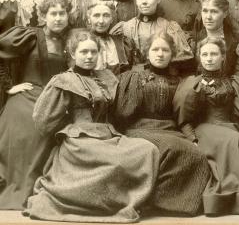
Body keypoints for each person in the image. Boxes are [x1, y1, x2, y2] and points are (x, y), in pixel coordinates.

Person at [23, 30, 159, 223]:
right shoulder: (64, 81)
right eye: (83, 52)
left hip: (107, 134)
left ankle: (126, 201)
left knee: (148, 149)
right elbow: (42, 119)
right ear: (72, 54)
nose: (89, 57)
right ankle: (103, 204)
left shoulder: (106, 77)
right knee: (116, 161)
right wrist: (68, 126)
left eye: (93, 52)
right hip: (79, 141)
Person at [114, 31, 210, 216]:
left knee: (197, 154)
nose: (160, 54)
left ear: (172, 55)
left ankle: (173, 203)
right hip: (139, 128)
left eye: (165, 50)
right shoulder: (134, 77)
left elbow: (184, 113)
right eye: (155, 49)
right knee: (173, 148)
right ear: (147, 52)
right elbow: (123, 113)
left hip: (170, 129)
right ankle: (152, 200)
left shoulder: (179, 81)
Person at [0, 0, 71, 209]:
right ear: (43, 16)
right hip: (25, 97)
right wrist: (9, 87)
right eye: (53, 13)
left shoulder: (71, 40)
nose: (58, 18)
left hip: (53, 101)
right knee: (25, 130)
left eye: (62, 13)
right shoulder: (29, 36)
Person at [175, 37, 239, 215]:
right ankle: (236, 198)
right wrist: (192, 139)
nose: (209, 58)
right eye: (205, 54)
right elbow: (185, 119)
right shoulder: (193, 84)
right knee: (236, 140)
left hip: (230, 124)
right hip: (205, 128)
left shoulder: (231, 81)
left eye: (214, 54)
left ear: (223, 56)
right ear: (199, 57)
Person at [121, 0, 193, 64]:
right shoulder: (127, 27)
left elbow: (184, 56)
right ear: (136, 1)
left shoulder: (168, 26)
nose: (144, 1)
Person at [191, 0, 239, 82]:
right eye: (205, 11)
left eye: (214, 11)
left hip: (228, 88)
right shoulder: (194, 38)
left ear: (225, 14)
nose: (208, 17)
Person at [86, 0, 134, 74]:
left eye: (106, 15)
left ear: (112, 19)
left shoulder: (123, 43)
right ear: (89, 19)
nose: (101, 21)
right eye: (96, 15)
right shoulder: (82, 43)